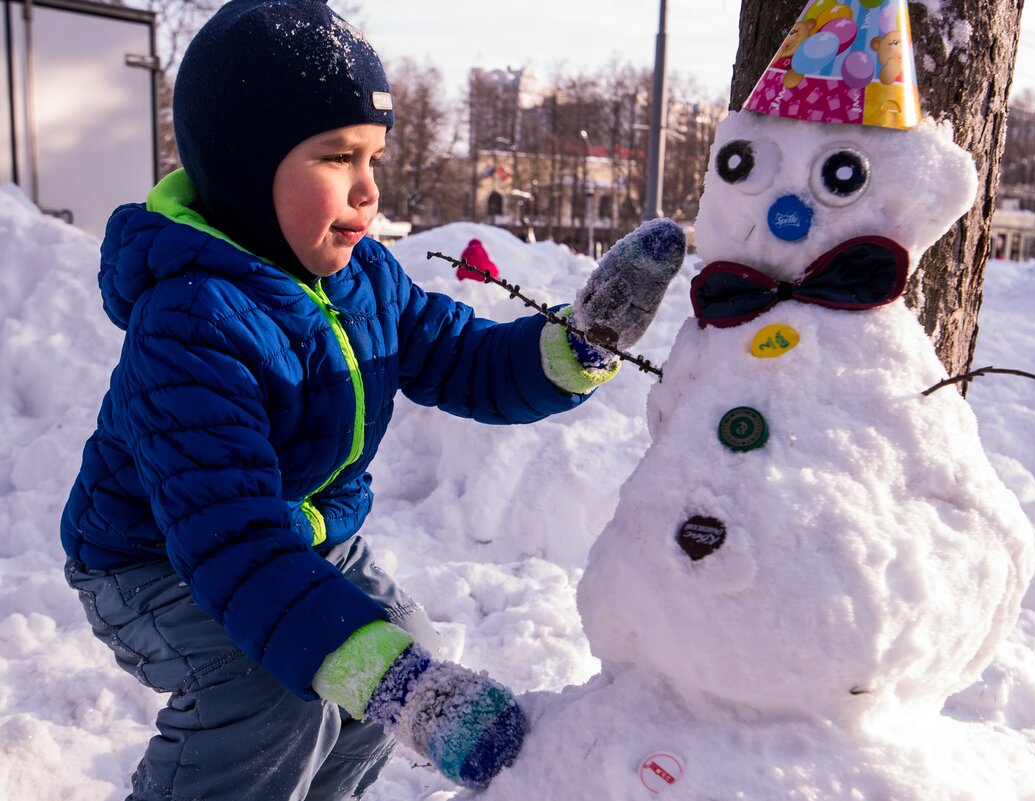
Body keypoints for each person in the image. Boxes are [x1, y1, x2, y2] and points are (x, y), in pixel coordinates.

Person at [59, 2, 684, 799]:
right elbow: (235, 548)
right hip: (158, 563)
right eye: (336, 158)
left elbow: (464, 359)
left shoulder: (361, 280)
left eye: (374, 158)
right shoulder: (190, 324)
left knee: (387, 659)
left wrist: (576, 344)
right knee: (272, 694)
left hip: (301, 540)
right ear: (247, 170)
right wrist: (409, 692)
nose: (367, 189)